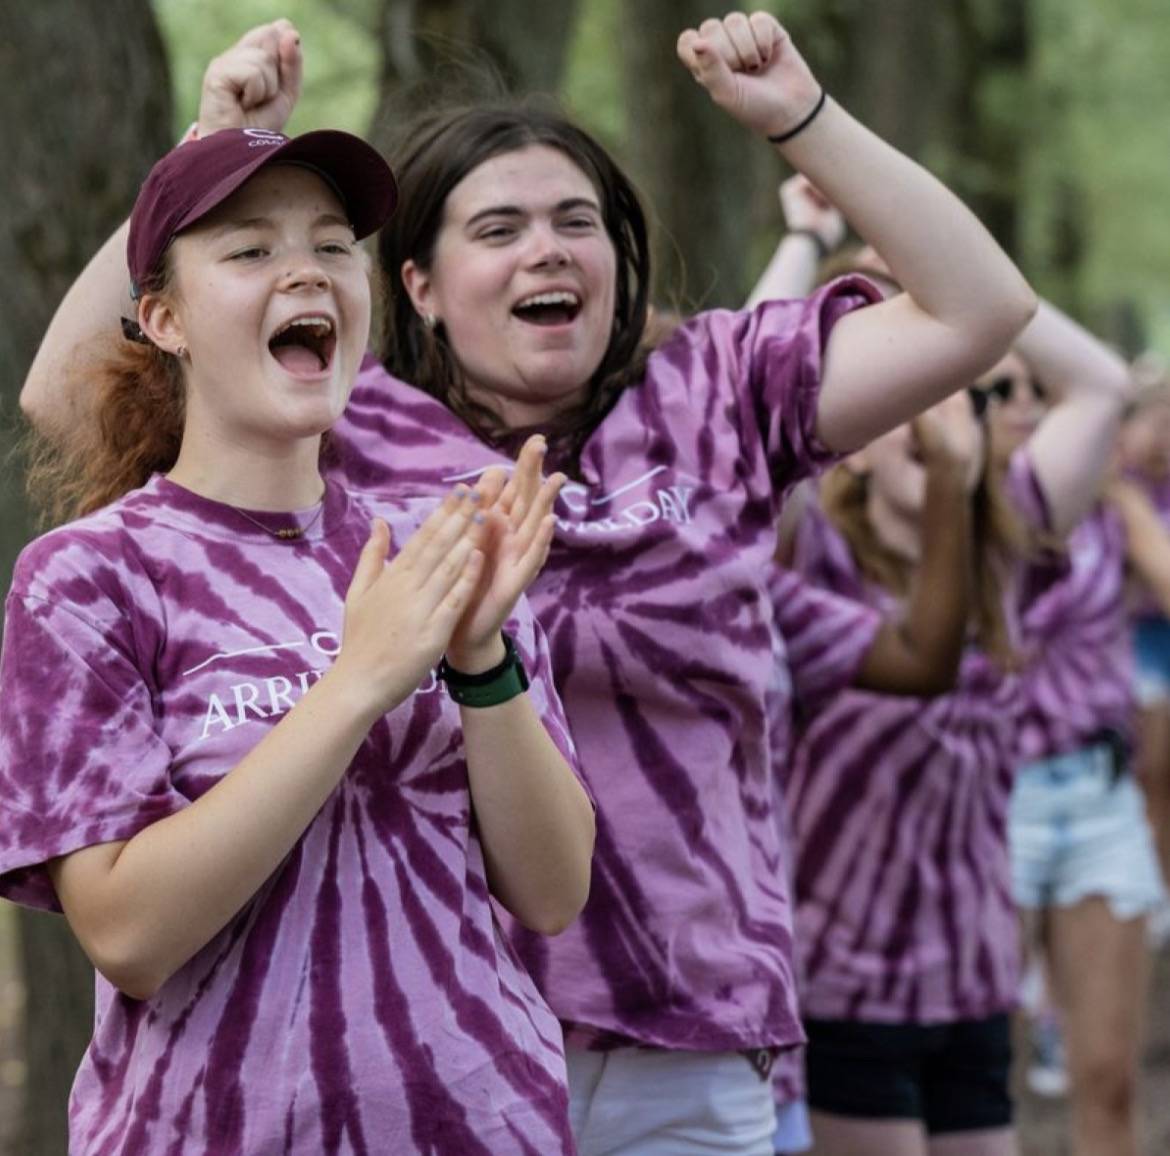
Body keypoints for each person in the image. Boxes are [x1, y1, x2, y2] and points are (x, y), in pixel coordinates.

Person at [20, 14, 1036, 1153]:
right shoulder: (353, 427)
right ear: (424, 284)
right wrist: (210, 152)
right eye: (498, 228)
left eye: (576, 222)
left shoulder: (719, 392)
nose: (547, 250)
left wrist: (802, 120)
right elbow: (81, 399)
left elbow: (982, 309)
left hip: (674, 1029)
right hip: (423, 1029)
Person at [1, 125, 596, 1155]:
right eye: (250, 250)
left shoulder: (438, 542)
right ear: (165, 318)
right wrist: (357, 681)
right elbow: (129, 935)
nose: (306, 272)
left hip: (485, 1124)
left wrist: (478, 657)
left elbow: (551, 892)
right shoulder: (89, 578)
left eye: (332, 245)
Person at [783, 291, 1133, 1154]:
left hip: (976, 985)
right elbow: (739, 434)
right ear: (848, 452)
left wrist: (947, 280)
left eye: (959, 398)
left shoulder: (1005, 557)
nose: (935, 420)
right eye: (902, 404)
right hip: (847, 993)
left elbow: (1099, 384)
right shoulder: (812, 564)